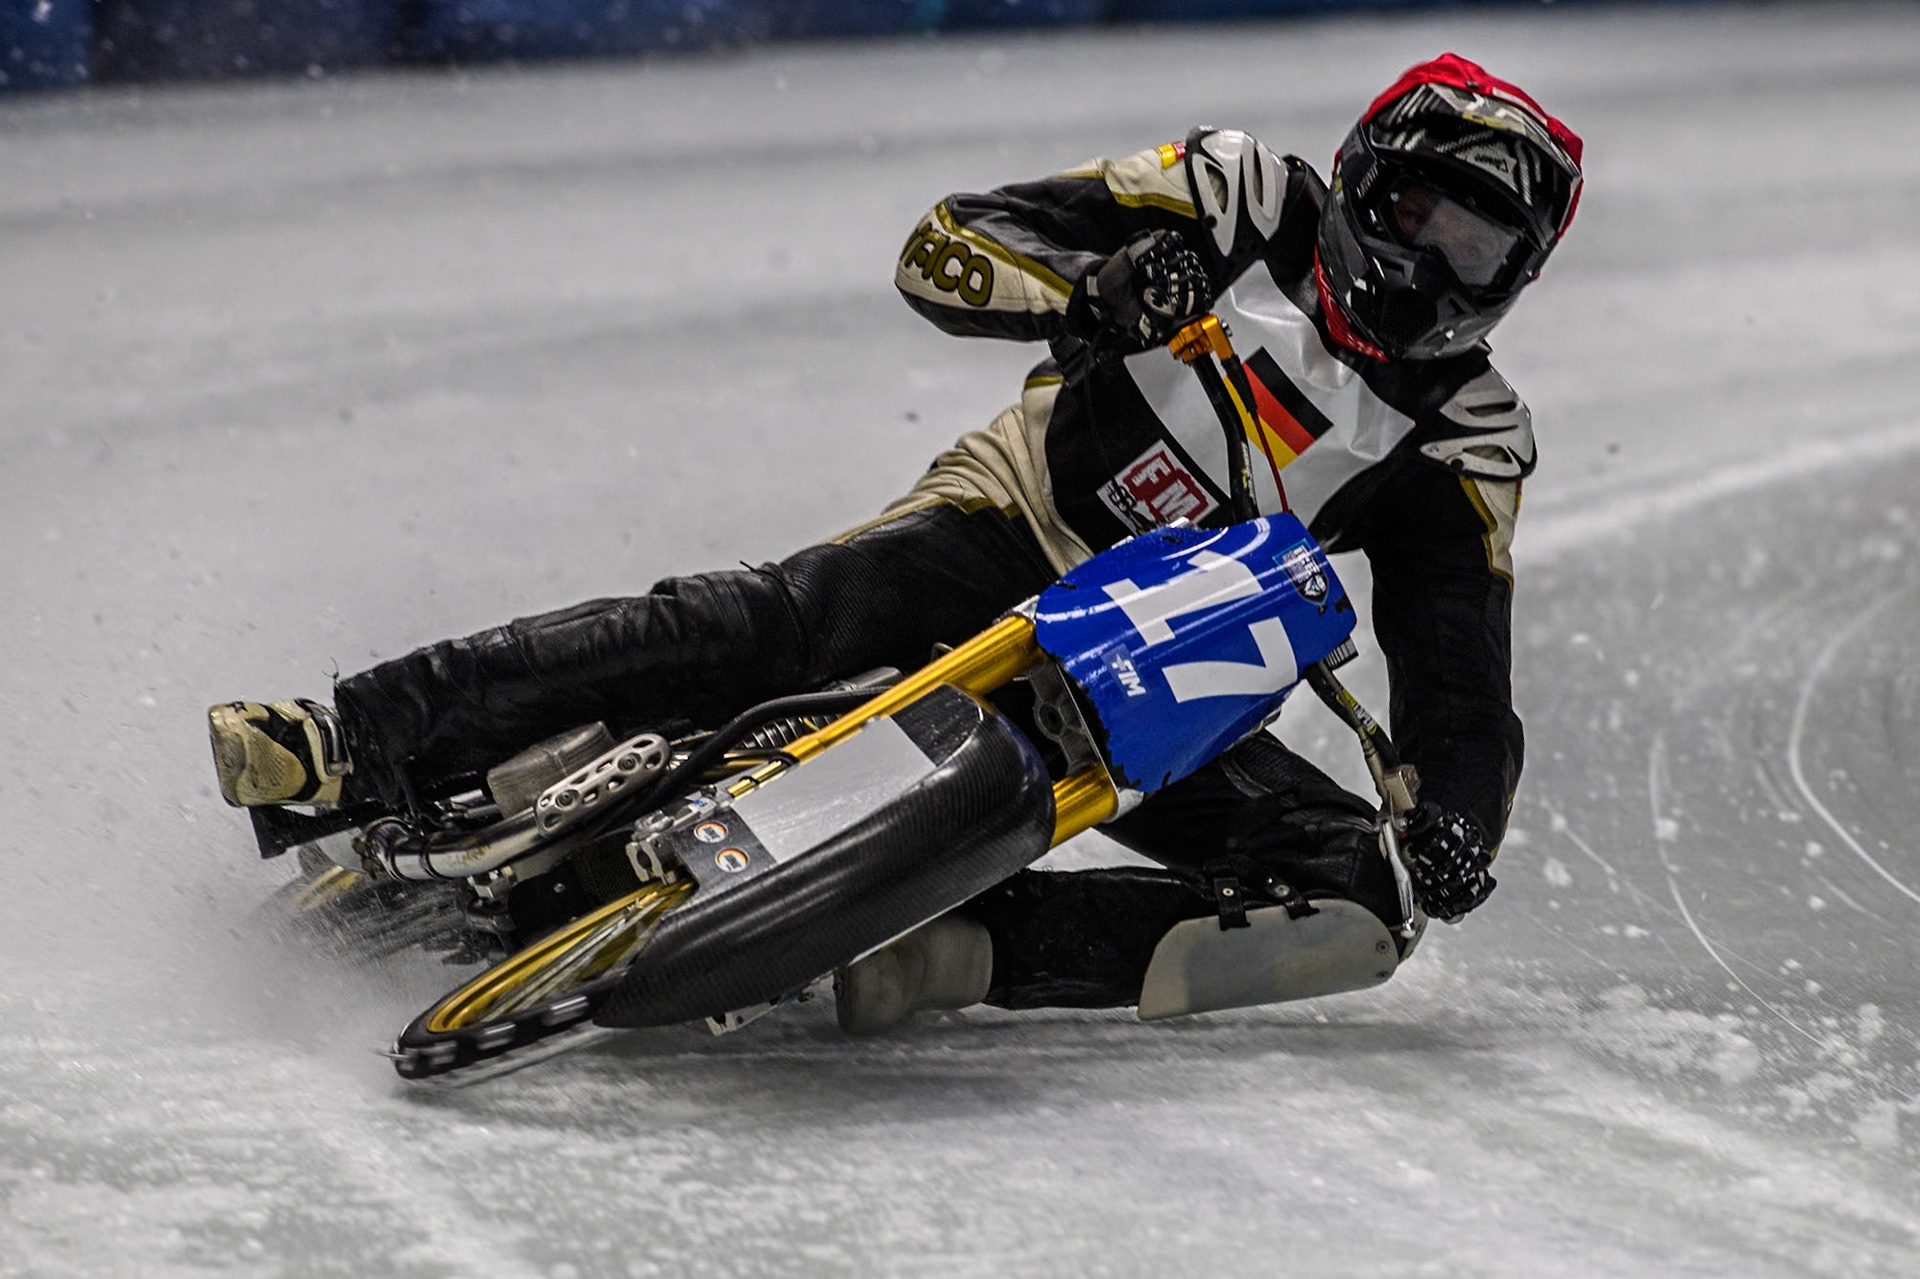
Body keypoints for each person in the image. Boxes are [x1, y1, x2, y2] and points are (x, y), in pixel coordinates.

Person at [210, 53, 1582, 1031]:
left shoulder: (1468, 441)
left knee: (1361, 897)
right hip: (1014, 518)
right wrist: (1095, 283)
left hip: (1165, 677)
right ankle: (350, 740)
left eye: (1478, 248)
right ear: (1358, 182)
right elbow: (947, 247)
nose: (1432, 261)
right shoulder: (1233, 194)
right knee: (778, 625)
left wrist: (1460, 820)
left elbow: (1461, 668)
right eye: (1419, 214)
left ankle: (956, 955)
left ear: (1514, 280)